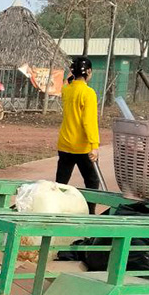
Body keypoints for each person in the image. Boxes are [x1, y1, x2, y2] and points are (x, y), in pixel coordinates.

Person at [57, 56, 101, 197]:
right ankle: (90, 213)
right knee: (92, 182)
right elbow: (88, 121)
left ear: (72, 71)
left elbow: (65, 84)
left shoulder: (66, 91)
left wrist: (70, 76)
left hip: (64, 144)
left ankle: (55, 210)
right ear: (88, 71)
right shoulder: (88, 93)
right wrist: (94, 145)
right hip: (82, 147)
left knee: (61, 183)